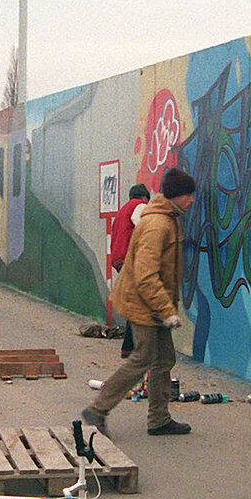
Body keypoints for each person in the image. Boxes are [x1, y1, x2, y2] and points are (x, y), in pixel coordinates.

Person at [82, 167, 196, 437]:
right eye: (189, 195)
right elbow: (146, 275)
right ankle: (97, 409)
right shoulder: (158, 224)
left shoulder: (168, 217)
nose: (192, 200)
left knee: (164, 359)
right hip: (144, 304)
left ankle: (159, 419)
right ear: (177, 196)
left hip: (153, 305)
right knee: (142, 359)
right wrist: (167, 311)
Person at [110, 183, 150, 357]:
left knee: (135, 301)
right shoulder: (139, 206)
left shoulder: (122, 211)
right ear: (144, 197)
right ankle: (131, 348)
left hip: (119, 260)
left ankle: (128, 347)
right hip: (131, 261)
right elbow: (146, 227)